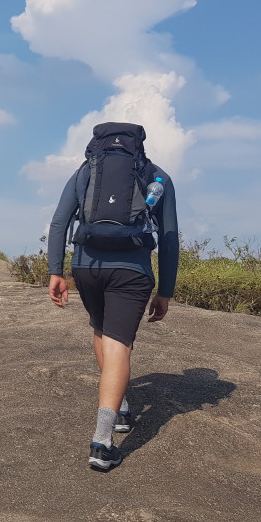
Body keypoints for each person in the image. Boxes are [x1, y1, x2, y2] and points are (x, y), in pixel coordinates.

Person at [46, 123, 179, 472]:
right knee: (119, 344)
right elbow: (168, 238)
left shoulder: (85, 172)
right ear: (139, 145)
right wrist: (165, 290)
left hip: (86, 267)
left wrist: (56, 271)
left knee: (101, 331)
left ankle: (119, 409)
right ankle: (103, 442)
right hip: (131, 271)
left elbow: (60, 222)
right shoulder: (157, 176)